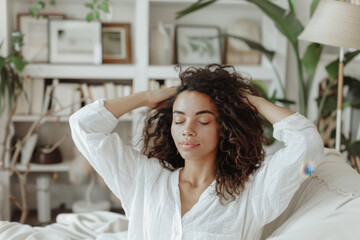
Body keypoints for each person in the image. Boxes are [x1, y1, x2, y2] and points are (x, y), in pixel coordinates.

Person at [69, 64, 324, 240]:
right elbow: (84, 126)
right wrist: (145, 97)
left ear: (223, 128)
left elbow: (309, 146)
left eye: (202, 121)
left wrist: (249, 102)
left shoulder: (253, 193)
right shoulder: (142, 180)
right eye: (179, 121)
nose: (187, 131)